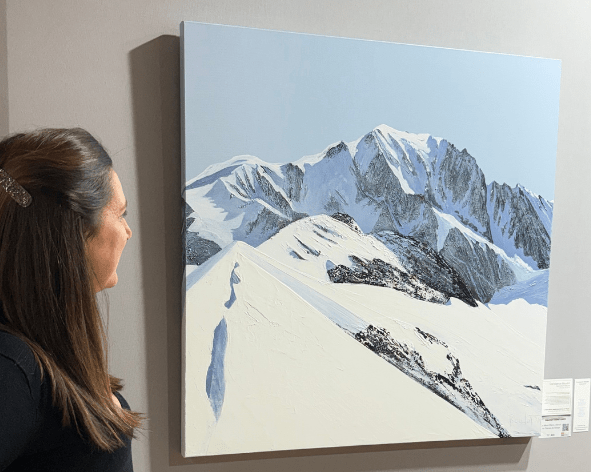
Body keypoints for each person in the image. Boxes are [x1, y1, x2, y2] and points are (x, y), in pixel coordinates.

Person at [0, 128, 142, 471]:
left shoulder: (36, 354)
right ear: (75, 234)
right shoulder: (14, 368)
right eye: (120, 214)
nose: (128, 231)